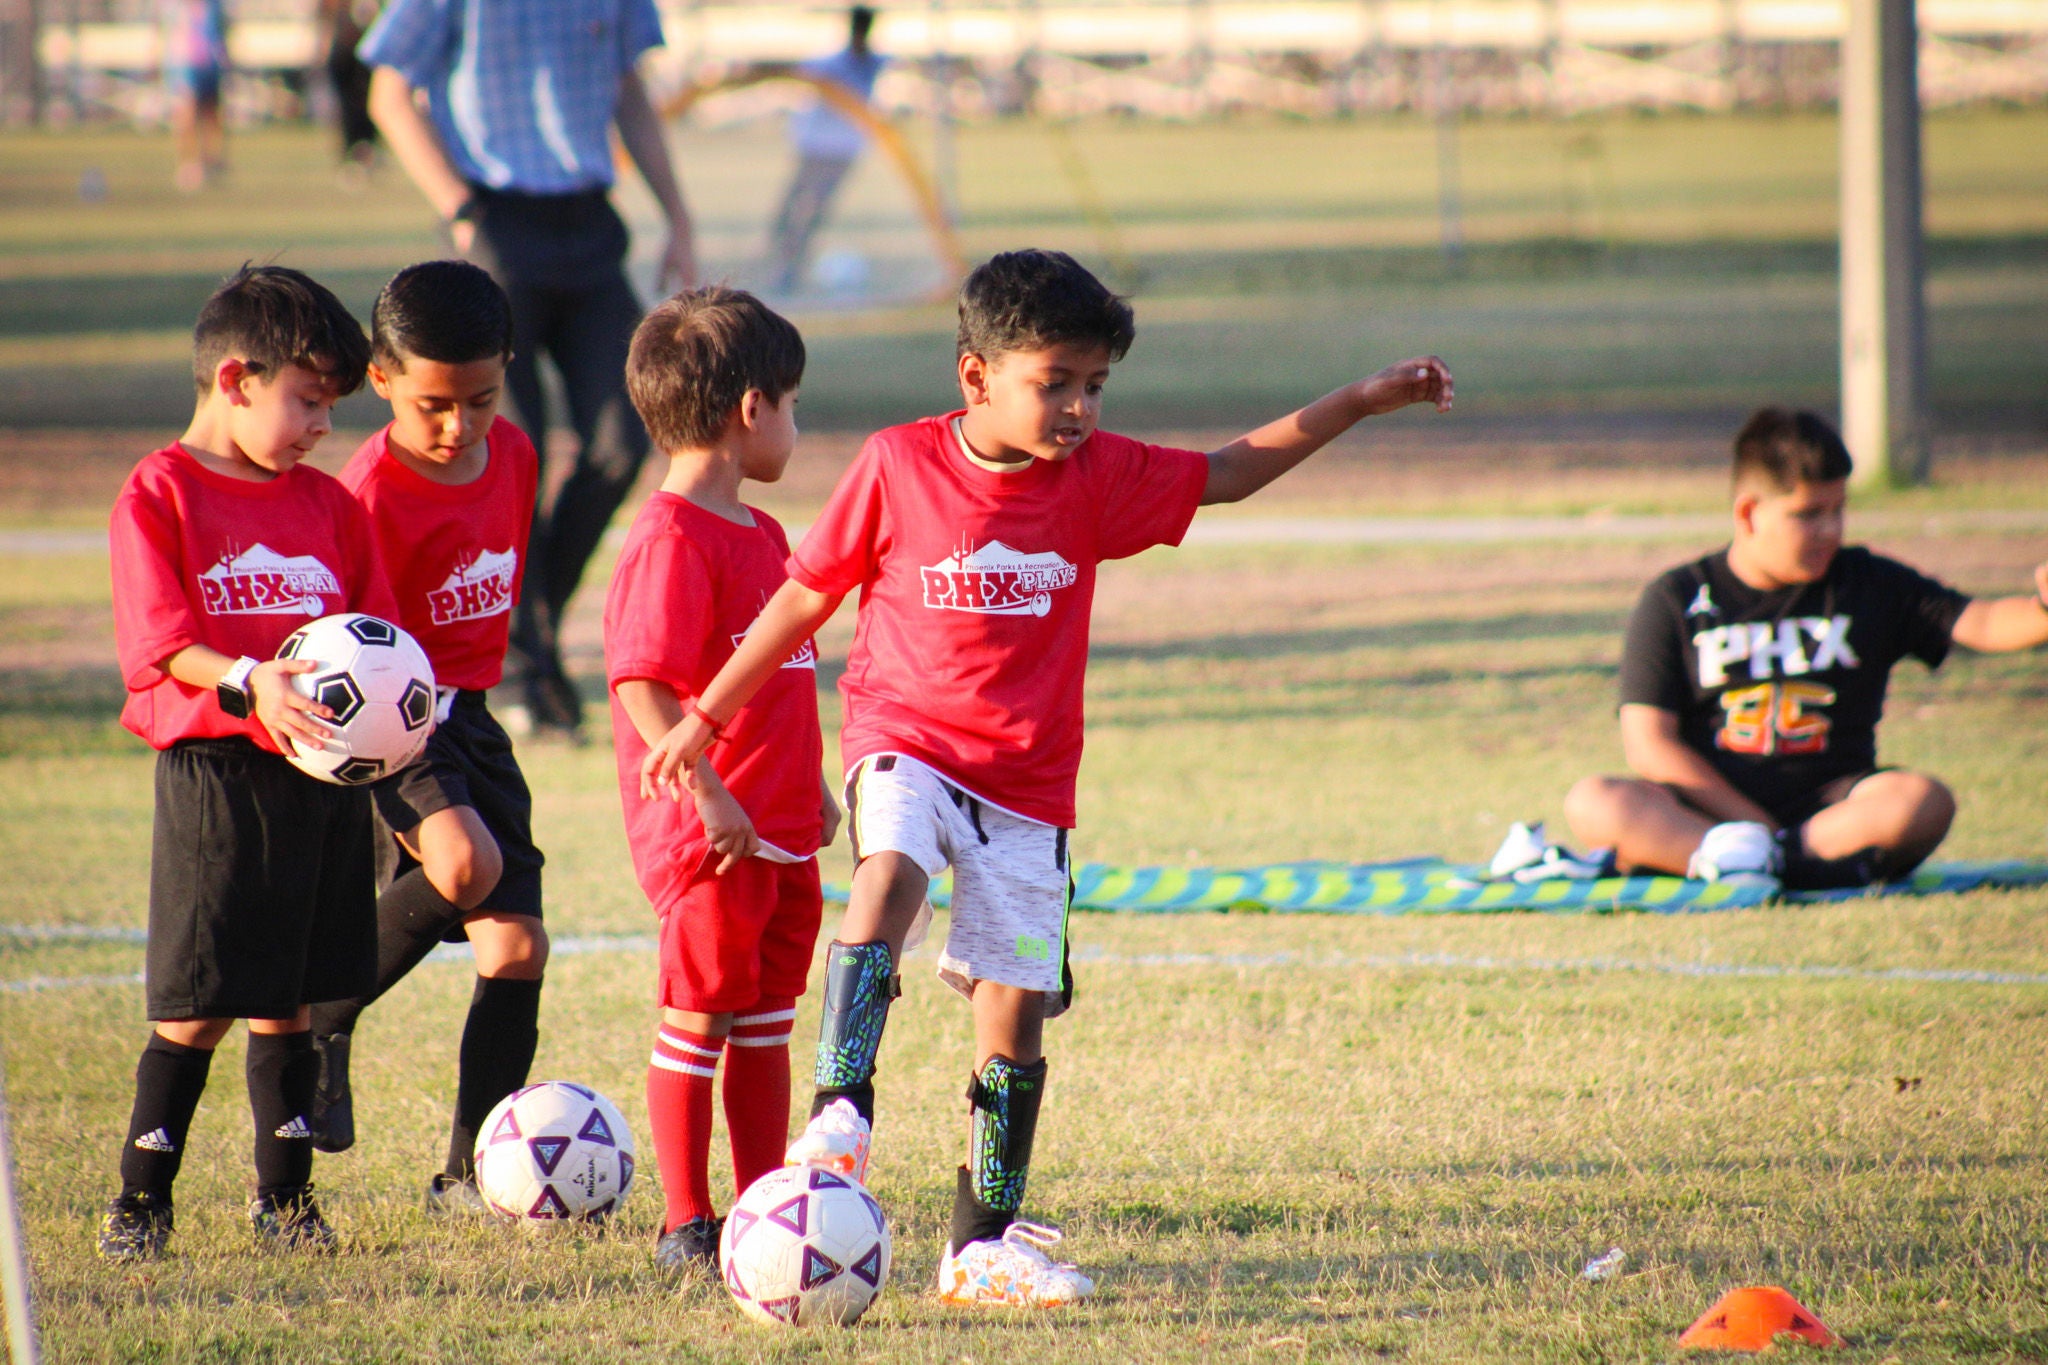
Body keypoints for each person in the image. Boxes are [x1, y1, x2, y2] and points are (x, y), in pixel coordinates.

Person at [642, 249, 1453, 1305]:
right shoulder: (895, 465)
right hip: (906, 739)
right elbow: (801, 598)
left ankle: (978, 1248)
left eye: (1094, 385)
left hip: (1027, 787)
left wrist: (1357, 401)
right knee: (890, 871)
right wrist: (704, 718)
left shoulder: (1097, 476)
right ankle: (841, 1106)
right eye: (1054, 382)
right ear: (975, 376)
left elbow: (1227, 472)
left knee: (1013, 1016)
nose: (1078, 407)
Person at [99, 266, 386, 1260]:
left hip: (319, 777)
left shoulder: (330, 506)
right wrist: (250, 679)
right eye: (307, 401)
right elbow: (160, 642)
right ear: (235, 379)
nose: (322, 427)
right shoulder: (160, 492)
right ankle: (141, 1201)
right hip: (218, 774)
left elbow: (375, 633)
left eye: (331, 407)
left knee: (289, 999)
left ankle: (286, 1201)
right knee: (201, 1002)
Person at [359, 0, 698, 740]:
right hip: (496, 217)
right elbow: (388, 91)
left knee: (624, 437)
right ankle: (520, 668)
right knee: (511, 455)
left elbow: (629, 90)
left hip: (590, 222)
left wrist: (677, 213)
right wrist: (461, 210)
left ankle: (532, 633)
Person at [1561, 407, 2048, 889]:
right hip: (1710, 813)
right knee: (1594, 802)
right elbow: (1649, 744)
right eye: (1808, 515)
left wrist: (2043, 610)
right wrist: (1750, 827)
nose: (1830, 530)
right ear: (1748, 513)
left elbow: (1980, 621)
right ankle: (1754, 860)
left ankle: (1747, 866)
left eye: (1838, 510)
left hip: (1831, 814)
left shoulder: (1866, 581)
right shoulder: (1676, 597)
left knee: (1922, 801)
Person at [603, 287, 840, 1270]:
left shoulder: (763, 535)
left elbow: (782, 674)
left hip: (779, 828)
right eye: (792, 405)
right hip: (714, 839)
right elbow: (640, 684)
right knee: (699, 1017)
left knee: (765, 1023)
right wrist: (707, 794)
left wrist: (812, 782)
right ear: (751, 409)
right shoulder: (670, 540)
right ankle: (685, 1220)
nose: (795, 425)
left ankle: (759, 1206)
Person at [307, 260, 551, 1211]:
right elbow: (343, 648)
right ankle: (321, 1009)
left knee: (517, 948)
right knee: (461, 863)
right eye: (433, 406)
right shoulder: (367, 493)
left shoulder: (518, 455)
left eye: (480, 401)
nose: (459, 427)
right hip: (395, 726)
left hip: (472, 718)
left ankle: (467, 1175)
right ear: (381, 380)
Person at [768, 5, 885, 294]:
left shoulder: (874, 63)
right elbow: (792, 73)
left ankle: (788, 272)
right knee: (787, 211)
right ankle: (776, 261)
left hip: (841, 154)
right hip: (814, 149)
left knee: (811, 213)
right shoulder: (829, 65)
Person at [162, 0, 228, 193]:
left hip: (209, 61)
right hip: (184, 62)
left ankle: (209, 160)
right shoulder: (175, 6)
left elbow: (219, 29)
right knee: (186, 114)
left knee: (210, 112)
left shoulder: (213, 4)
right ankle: (188, 163)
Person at [316, 0, 379, 179]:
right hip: (343, 46)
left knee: (366, 100)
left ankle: (365, 146)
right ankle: (352, 148)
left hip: (364, 46)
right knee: (346, 104)